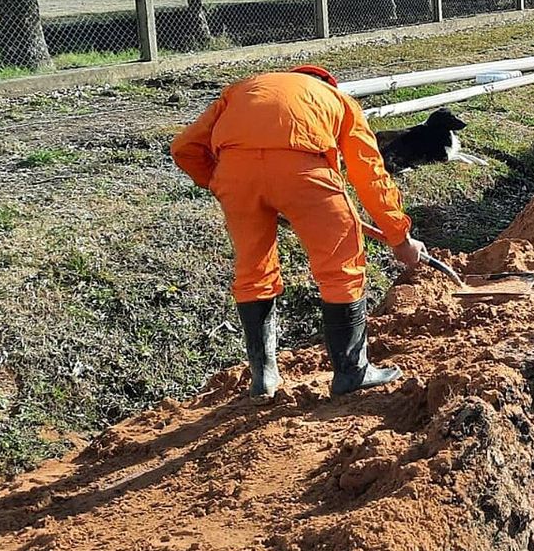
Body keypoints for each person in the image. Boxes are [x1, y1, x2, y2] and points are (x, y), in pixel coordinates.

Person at [171, 64, 424, 399]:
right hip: (305, 168)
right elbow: (370, 174)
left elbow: (184, 148)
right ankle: (352, 372)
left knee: (253, 269)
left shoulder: (242, 88)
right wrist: (399, 237)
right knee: (341, 265)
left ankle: (264, 378)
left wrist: (223, 184)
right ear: (325, 83)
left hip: (235, 173)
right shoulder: (340, 100)